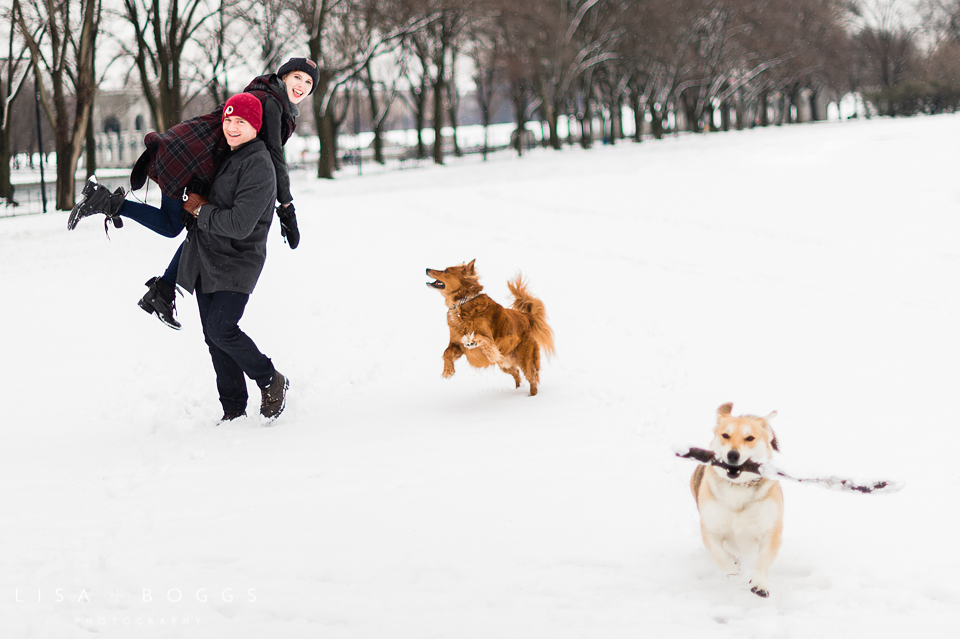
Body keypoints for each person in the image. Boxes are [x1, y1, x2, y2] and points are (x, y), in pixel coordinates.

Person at [67, 57, 320, 330]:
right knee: (175, 224)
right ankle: (110, 207)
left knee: (193, 224)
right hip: (189, 160)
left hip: (189, 154)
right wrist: (286, 207)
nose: (302, 86)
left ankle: (161, 289)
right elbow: (273, 158)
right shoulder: (270, 103)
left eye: (308, 83)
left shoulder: (268, 96)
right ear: (283, 76)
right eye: (297, 77)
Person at [178, 93, 288, 423]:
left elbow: (240, 224)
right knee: (213, 337)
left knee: (222, 328)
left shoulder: (259, 165)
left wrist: (200, 209)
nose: (232, 127)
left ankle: (270, 378)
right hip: (208, 256)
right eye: (228, 120)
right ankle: (233, 409)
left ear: (256, 126)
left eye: (241, 121)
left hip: (238, 260)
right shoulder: (229, 156)